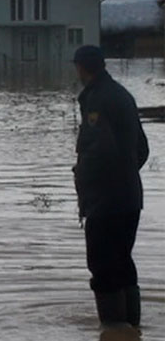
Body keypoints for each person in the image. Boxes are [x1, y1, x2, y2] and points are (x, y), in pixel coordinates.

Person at [72, 45, 149, 329]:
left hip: (105, 201)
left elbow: (97, 152)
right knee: (123, 265)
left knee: (104, 268)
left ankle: (114, 331)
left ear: (82, 68)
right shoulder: (122, 95)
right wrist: (124, 176)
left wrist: (86, 184)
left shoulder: (97, 100)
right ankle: (132, 330)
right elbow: (142, 148)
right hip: (129, 196)